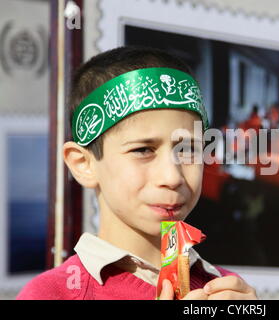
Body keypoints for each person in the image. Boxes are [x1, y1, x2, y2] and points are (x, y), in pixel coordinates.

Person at [16, 46, 257, 300]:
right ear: (83, 164)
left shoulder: (227, 290)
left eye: (188, 150)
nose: (172, 177)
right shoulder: (50, 295)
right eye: (143, 149)